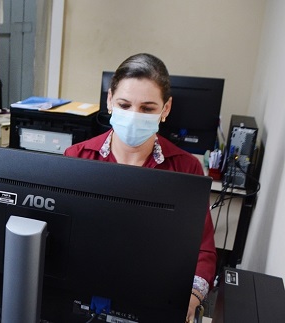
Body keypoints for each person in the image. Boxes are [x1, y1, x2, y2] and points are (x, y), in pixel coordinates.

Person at [64, 53, 216, 323]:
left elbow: (203, 249)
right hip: (87, 292)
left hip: (154, 294)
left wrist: (191, 298)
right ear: (110, 101)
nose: (134, 116)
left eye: (147, 109)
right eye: (124, 104)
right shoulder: (77, 157)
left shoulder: (186, 167)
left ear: (165, 109)